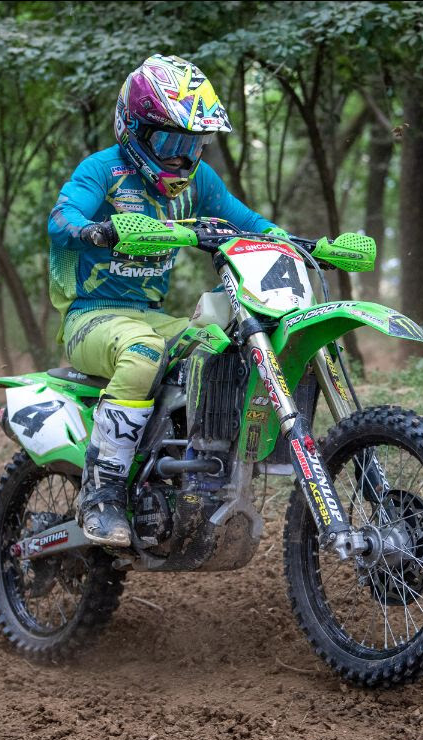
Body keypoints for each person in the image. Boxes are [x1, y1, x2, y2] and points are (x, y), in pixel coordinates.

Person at [47, 54, 285, 548]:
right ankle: (102, 494)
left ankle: (192, 472)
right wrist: (95, 229)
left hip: (153, 317)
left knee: (222, 344)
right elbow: (60, 219)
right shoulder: (103, 171)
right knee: (143, 352)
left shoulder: (198, 183)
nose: (181, 157)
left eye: (192, 144)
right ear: (133, 128)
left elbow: (250, 223)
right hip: (93, 318)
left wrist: (296, 243)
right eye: (170, 141)